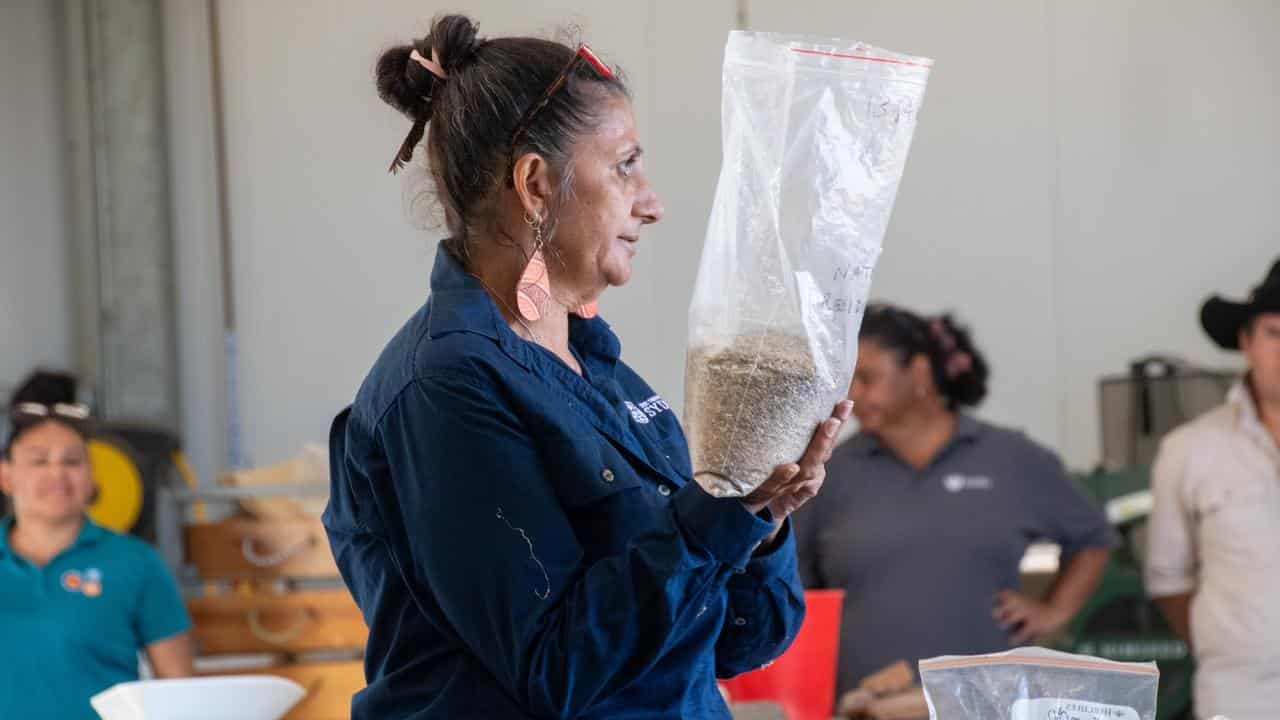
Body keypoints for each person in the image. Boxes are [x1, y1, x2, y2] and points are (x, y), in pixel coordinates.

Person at [322, 15, 852, 720]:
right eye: (626, 165)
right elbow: (557, 669)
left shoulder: (599, 372)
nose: (652, 202)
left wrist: (761, 511)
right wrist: (706, 526)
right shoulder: (445, 388)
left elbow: (738, 641)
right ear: (536, 185)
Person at [794, 304, 1115, 709]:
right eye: (847, 381)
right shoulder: (829, 472)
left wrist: (1053, 610)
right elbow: (795, 593)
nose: (853, 395)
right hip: (864, 706)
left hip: (987, 707)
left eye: (867, 377)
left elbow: (1094, 538)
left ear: (921, 373)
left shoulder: (1010, 458)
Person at [0, 371, 193, 719]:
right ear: (6, 475)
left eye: (72, 461)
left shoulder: (137, 563)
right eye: (39, 460)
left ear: (91, 476)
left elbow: (179, 694)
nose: (57, 475)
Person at [1146, 259, 1280, 720]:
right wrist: (1233, 643)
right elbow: (1168, 578)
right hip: (1240, 698)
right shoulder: (1189, 449)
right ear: (1246, 341)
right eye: (1274, 333)